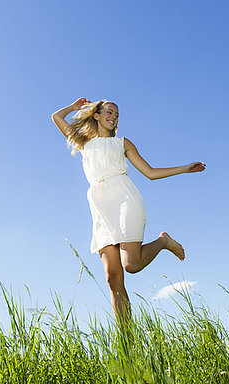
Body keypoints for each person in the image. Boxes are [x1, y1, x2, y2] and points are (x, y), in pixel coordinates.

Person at [51, 97, 206, 325]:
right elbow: (56, 117)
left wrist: (184, 169)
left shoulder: (122, 143)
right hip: (100, 206)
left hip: (124, 198)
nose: (113, 117)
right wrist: (74, 108)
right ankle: (127, 345)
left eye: (116, 114)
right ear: (95, 115)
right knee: (112, 278)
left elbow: (150, 172)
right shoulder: (84, 142)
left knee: (131, 265)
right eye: (109, 112)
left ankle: (163, 242)